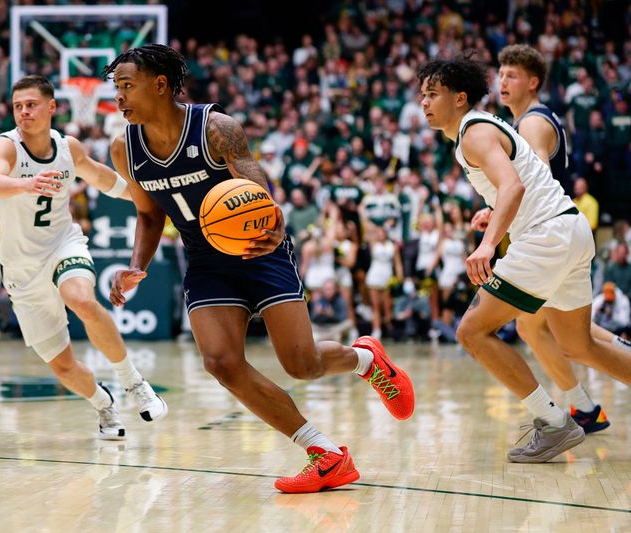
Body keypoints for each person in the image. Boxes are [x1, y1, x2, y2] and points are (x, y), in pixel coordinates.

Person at [103, 44, 414, 494]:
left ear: (160, 85)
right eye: (117, 88)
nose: (120, 97)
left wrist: (273, 219)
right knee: (221, 362)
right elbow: (150, 215)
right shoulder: (124, 149)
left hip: (257, 249)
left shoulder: (215, 128)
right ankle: (324, 453)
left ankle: (368, 360)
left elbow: (254, 182)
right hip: (206, 260)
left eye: (127, 86)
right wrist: (136, 266)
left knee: (302, 364)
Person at [419, 53, 631, 464]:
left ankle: (553, 423)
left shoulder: (472, 133)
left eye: (433, 94)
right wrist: (494, 209)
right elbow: (519, 183)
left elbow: (514, 186)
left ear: (460, 98)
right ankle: (570, 413)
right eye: (422, 95)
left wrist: (487, 244)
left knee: (471, 332)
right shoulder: (482, 128)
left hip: (544, 236)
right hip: (568, 229)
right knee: (578, 344)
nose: (425, 103)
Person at [0, 75, 167, 440]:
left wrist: (153, 199)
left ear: (52, 107)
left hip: (63, 244)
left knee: (80, 298)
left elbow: (104, 179)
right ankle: (103, 404)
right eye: (17, 106)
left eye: (31, 104)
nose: (23, 112)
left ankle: (134, 383)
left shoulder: (68, 148)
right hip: (20, 268)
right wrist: (24, 183)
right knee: (63, 367)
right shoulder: (4, 148)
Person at [490, 44, 631, 433]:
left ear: (533, 82)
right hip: (556, 233)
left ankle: (579, 409)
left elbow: (534, 177)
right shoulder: (533, 119)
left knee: (570, 340)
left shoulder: (532, 124)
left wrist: (502, 210)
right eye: (500, 74)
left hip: (549, 234)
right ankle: (584, 409)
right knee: (540, 328)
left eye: (512, 75)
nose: (503, 81)